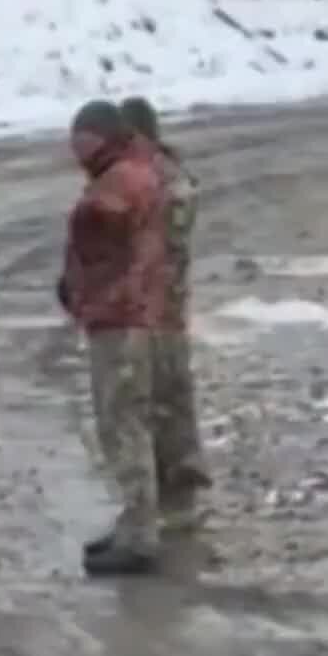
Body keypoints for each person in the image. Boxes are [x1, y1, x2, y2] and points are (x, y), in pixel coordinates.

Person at [57, 98, 170, 576]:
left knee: (123, 423)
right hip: (118, 313)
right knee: (121, 422)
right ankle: (134, 522)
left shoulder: (121, 178)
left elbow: (101, 224)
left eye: (80, 140)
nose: (75, 151)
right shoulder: (126, 171)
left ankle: (141, 535)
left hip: (120, 316)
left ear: (98, 137)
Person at [119, 95, 211, 518]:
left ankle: (177, 480)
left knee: (159, 389)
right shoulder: (149, 174)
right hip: (155, 300)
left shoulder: (161, 177)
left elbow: (160, 238)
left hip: (157, 302)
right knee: (165, 387)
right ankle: (177, 473)